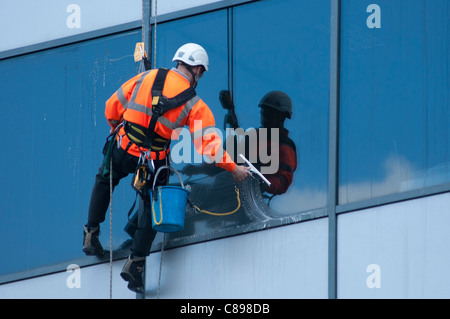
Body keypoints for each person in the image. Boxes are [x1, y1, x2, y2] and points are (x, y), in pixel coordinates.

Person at [82, 43, 250, 293]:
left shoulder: (146, 77)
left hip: (123, 144)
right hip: (153, 160)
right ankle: (136, 262)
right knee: (153, 204)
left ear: (178, 62)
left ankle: (91, 233)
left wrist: (116, 128)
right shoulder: (195, 104)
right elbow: (210, 148)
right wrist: (234, 169)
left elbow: (111, 106)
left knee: (104, 179)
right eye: (201, 73)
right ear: (197, 70)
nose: (200, 77)